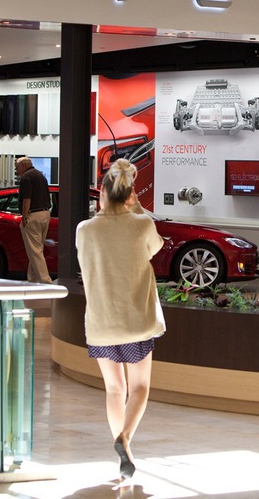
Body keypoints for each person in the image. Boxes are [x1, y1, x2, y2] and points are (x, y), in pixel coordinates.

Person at [75, 158, 165, 482]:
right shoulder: (141, 225)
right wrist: (137, 210)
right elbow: (154, 248)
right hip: (137, 321)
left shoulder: (84, 230)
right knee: (139, 387)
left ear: (101, 192)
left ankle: (123, 454)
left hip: (100, 324)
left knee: (115, 390)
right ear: (131, 194)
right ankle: (124, 439)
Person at [15, 156, 52, 283]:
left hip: (33, 216)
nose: (16, 170)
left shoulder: (26, 177)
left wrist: (24, 216)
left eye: (17, 167)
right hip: (45, 214)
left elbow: (27, 199)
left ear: (24, 165)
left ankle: (45, 281)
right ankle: (33, 279)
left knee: (35, 252)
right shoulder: (41, 176)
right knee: (36, 250)